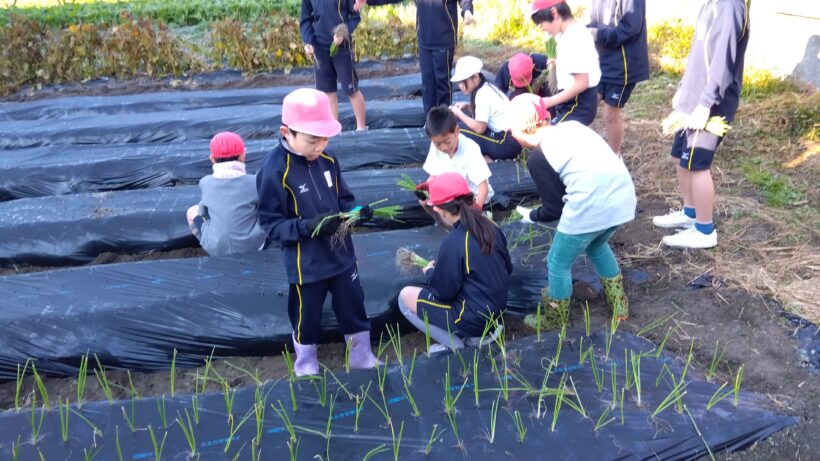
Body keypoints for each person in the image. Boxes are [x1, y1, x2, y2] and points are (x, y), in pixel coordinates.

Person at [256, 88, 378, 376]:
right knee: (305, 315)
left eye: (325, 138)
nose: (320, 145)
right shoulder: (274, 172)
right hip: (306, 265)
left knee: (353, 305)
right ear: (286, 132)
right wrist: (306, 227)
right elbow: (271, 224)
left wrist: (356, 212)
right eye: (313, 139)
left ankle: (361, 357)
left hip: (342, 256)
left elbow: (344, 199)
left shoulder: (329, 160)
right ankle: (306, 364)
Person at [510, 94, 634, 330]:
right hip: (622, 197)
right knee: (596, 244)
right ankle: (620, 306)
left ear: (521, 131)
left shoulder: (538, 157)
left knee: (558, 262)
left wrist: (531, 215)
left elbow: (554, 208)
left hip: (592, 204)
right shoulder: (572, 126)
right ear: (545, 117)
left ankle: (555, 320)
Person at [653, 0, 749, 249]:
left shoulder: (730, 6)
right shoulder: (711, 4)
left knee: (697, 164)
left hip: (711, 104)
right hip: (692, 99)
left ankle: (705, 231)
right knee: (679, 158)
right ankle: (690, 213)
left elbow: (722, 60)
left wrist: (706, 103)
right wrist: (683, 91)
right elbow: (699, 55)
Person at [398, 172, 513, 350]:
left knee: (404, 297)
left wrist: (429, 272)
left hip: (473, 319)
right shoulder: (491, 226)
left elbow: (442, 293)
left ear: (438, 209)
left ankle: (458, 346)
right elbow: (508, 268)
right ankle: (485, 333)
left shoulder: (454, 242)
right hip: (496, 312)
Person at [355, 0, 474, 114]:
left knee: (442, 83)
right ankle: (430, 119)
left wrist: (467, 10)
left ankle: (444, 120)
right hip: (424, 38)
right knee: (427, 84)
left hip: (444, 38)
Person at [186, 132, 267, 257]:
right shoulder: (255, 181)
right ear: (243, 155)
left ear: (212, 159)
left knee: (192, 211)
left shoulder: (206, 182)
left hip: (215, 247)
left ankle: (209, 246)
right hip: (254, 246)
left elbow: (203, 212)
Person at [588, 0, 650, 154]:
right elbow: (594, 22)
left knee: (609, 114)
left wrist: (595, 34)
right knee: (587, 105)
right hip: (601, 62)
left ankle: (614, 158)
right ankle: (583, 155)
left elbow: (630, 28)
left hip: (623, 66)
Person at [420, 106, 494, 227]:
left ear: (457, 131)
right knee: (424, 202)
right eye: (437, 144)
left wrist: (476, 210)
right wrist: (426, 189)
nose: (443, 147)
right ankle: (446, 222)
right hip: (451, 195)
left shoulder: (470, 149)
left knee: (462, 220)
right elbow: (434, 176)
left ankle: (481, 216)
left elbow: (483, 188)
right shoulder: (435, 148)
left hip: (471, 197)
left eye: (447, 142)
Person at [530, 0, 601, 126]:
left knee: (550, 137)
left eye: (541, 23)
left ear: (554, 13)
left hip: (577, 104)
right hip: (574, 101)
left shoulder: (574, 37)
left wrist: (550, 101)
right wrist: (559, 63)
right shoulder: (570, 33)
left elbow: (581, 83)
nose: (542, 29)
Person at [300, 0, 367, 130]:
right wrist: (308, 42)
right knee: (327, 92)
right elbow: (305, 20)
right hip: (319, 48)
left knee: (351, 89)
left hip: (342, 48)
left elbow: (354, 16)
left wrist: (342, 33)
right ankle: (334, 129)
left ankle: (361, 128)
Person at [449, 56, 522, 162]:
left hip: (506, 142)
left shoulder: (482, 95)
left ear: (475, 78)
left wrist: (459, 114)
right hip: (513, 139)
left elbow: (480, 128)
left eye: (463, 81)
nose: (460, 86)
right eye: (459, 82)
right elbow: (487, 113)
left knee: (458, 129)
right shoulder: (486, 86)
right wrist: (467, 105)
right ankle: (486, 157)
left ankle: (486, 160)